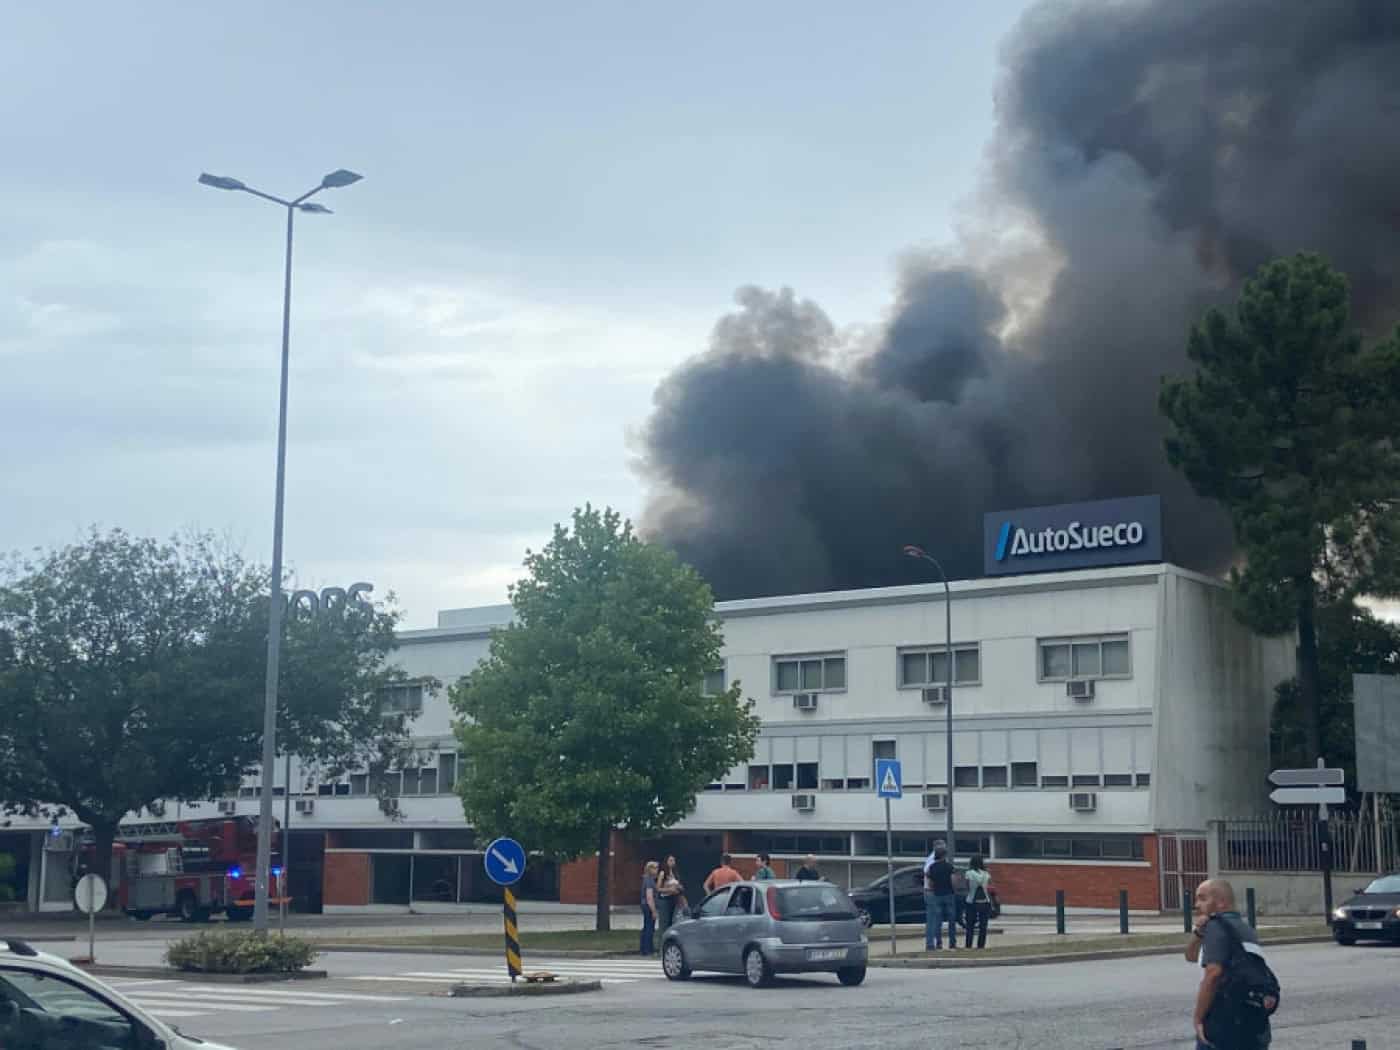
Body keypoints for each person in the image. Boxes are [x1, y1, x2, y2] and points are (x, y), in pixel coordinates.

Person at [1186, 878, 1276, 1049]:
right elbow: (1191, 956)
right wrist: (1198, 933)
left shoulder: (1216, 927)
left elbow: (1213, 974)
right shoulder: (1244, 927)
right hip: (1252, 1021)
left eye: (1202, 898)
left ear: (1221, 902)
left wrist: (1198, 1018)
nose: (1197, 905)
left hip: (1224, 1022)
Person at [923, 847, 958, 950]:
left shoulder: (931, 868)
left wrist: (934, 889)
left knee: (938, 921)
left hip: (937, 895)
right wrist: (954, 890)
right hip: (949, 894)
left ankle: (938, 943)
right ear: (944, 856)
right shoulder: (949, 867)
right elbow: (953, 880)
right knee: (951, 920)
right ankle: (952, 943)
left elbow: (930, 883)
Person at [962, 854, 993, 949]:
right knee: (983, 925)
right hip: (985, 901)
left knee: (970, 925)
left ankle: (968, 944)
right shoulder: (986, 874)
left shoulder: (968, 873)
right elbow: (989, 886)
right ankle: (981, 945)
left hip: (971, 901)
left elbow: (967, 886)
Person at [657, 855, 687, 932]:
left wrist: (680, 887)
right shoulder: (662, 873)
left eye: (673, 860)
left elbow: (679, 885)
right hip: (665, 900)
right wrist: (669, 889)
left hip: (674, 899)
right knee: (664, 922)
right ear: (666, 862)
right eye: (670, 860)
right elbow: (658, 888)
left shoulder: (675, 873)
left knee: (673, 921)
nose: (672, 862)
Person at [640, 861, 660, 956]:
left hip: (646, 906)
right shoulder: (648, 881)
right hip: (648, 906)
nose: (657, 870)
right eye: (655, 868)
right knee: (649, 928)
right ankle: (648, 950)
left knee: (647, 927)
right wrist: (654, 911)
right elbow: (649, 897)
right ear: (650, 869)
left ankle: (644, 949)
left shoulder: (649, 879)